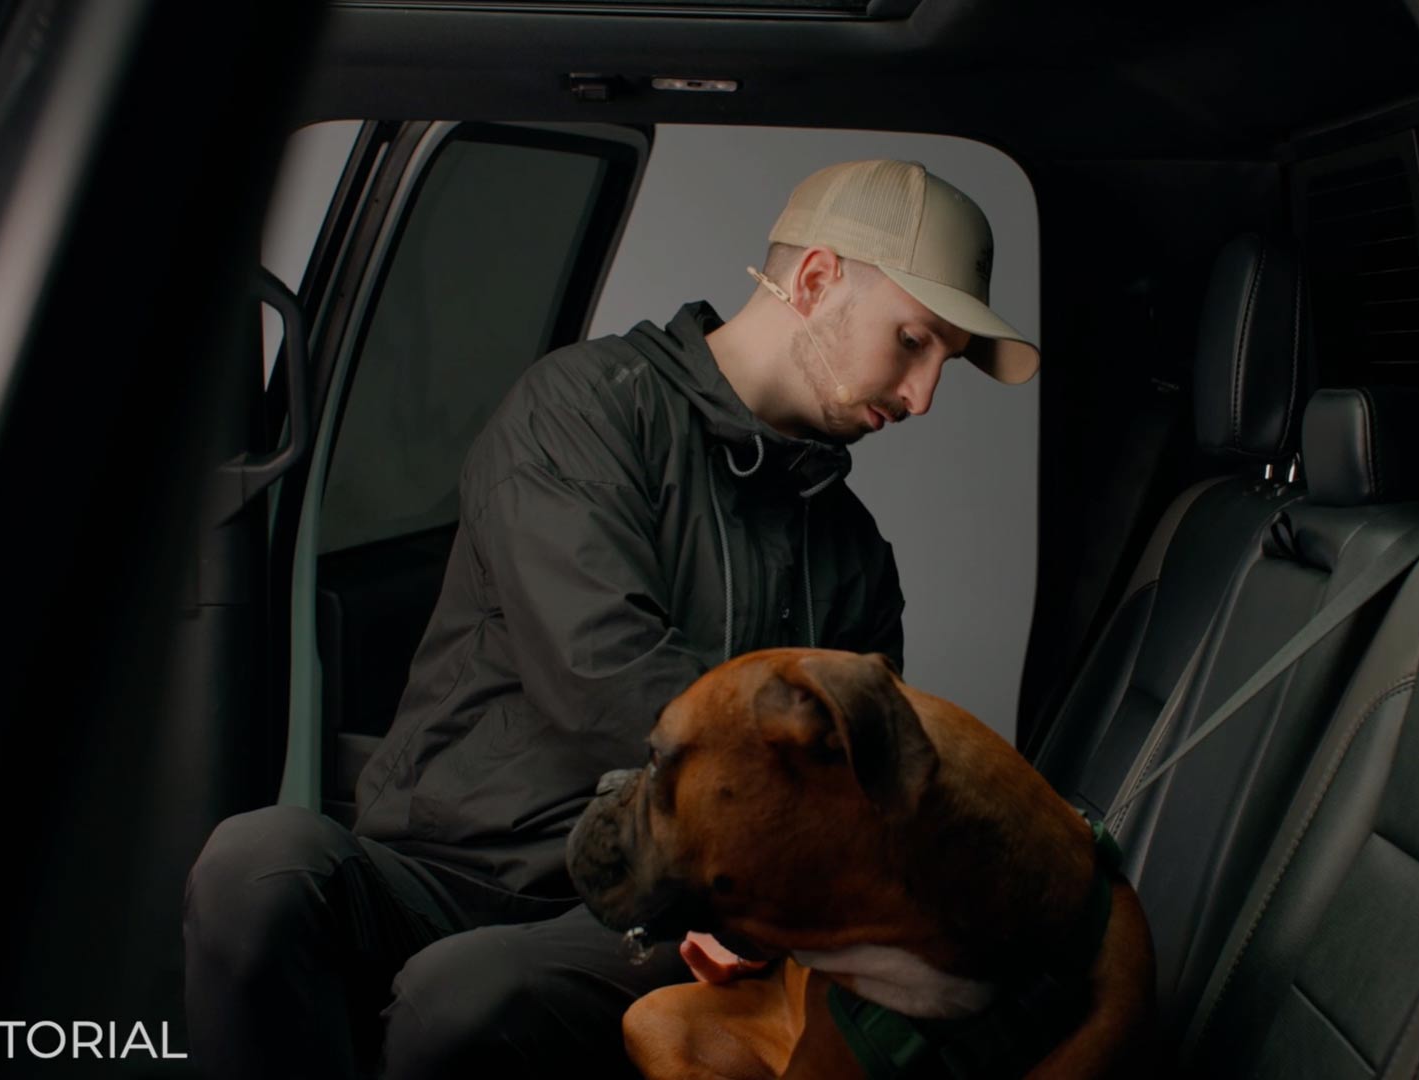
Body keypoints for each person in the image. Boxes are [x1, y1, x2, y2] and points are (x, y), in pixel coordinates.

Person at [181, 158, 1039, 1078]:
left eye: (943, 361)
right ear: (817, 279)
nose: (922, 397)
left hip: (652, 897)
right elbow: (600, 670)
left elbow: (857, 792)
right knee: (256, 866)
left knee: (465, 997)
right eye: (913, 341)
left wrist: (749, 896)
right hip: (448, 864)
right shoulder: (586, 407)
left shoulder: (855, 558)